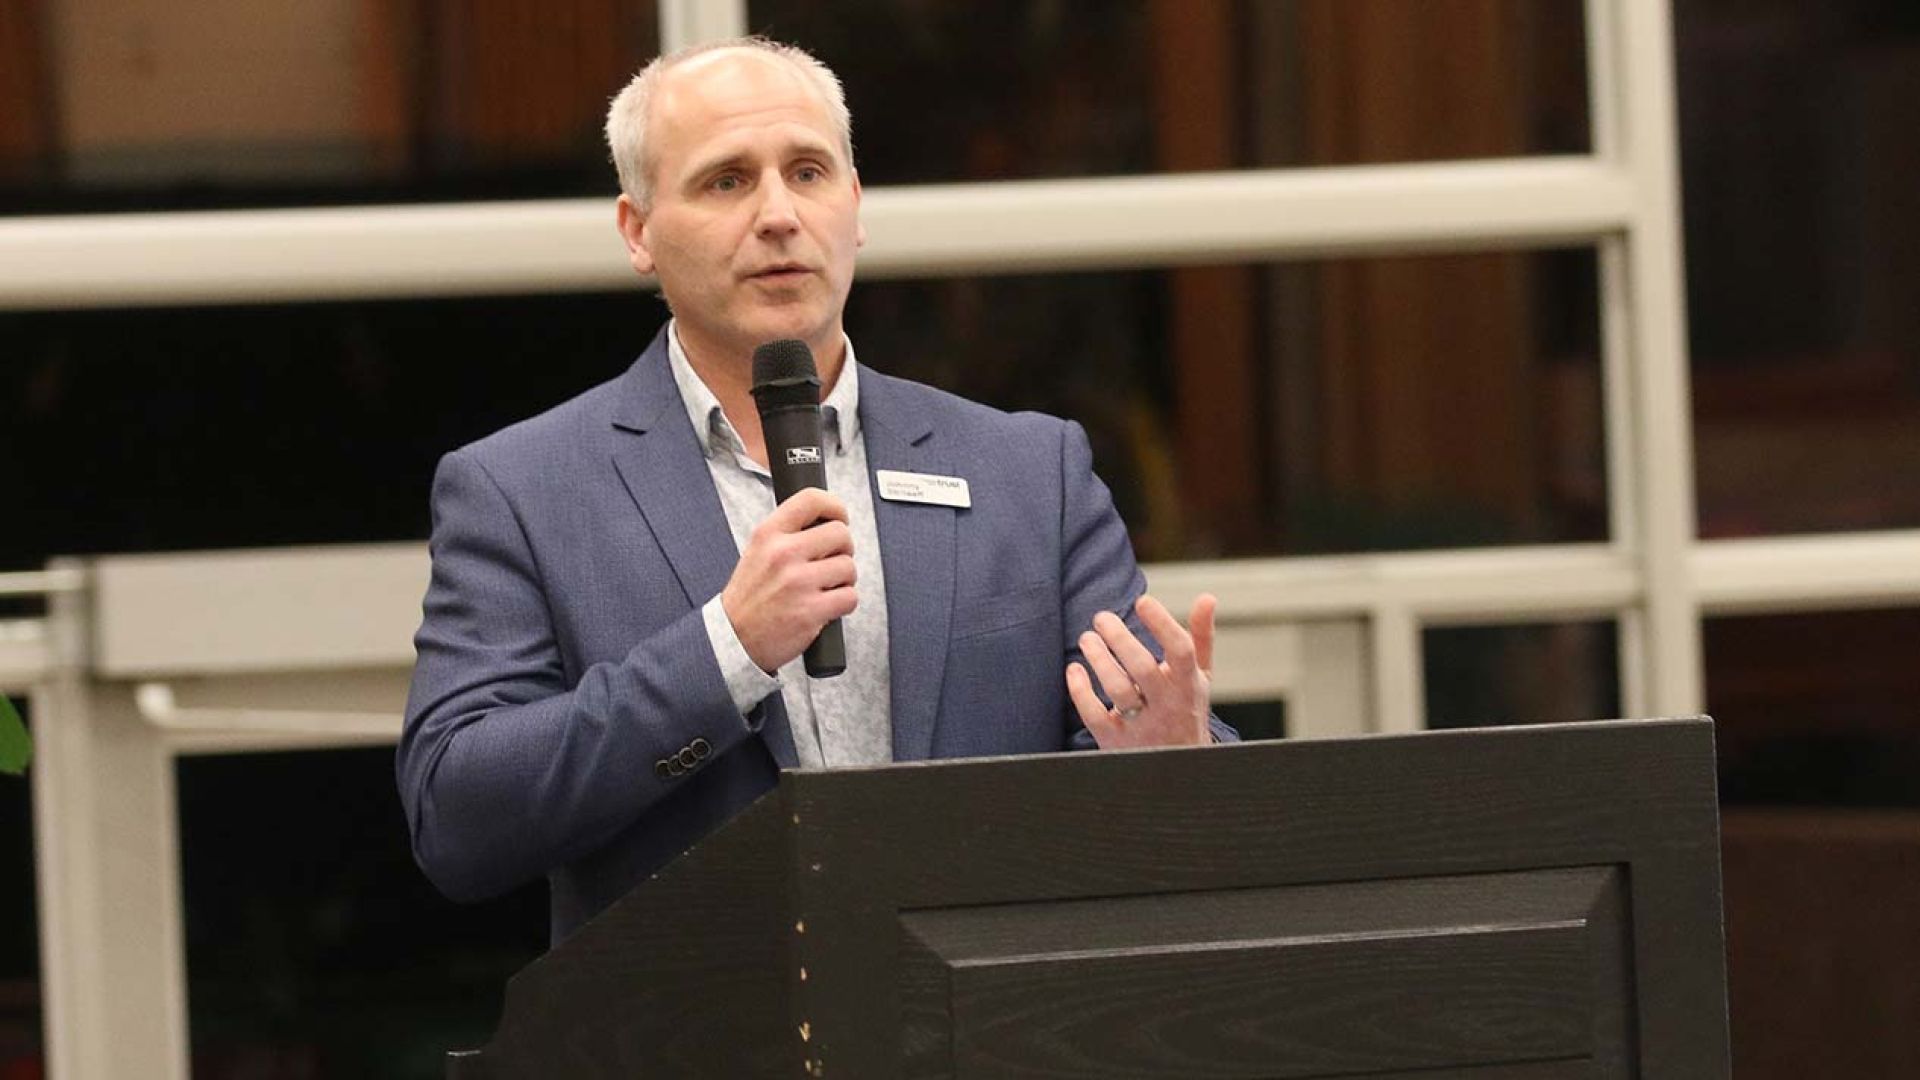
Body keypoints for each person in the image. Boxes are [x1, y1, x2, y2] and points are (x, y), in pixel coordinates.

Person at [397, 37, 1237, 942]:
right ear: (637, 231)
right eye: (725, 181)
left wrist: (1177, 765)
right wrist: (727, 649)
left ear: (856, 207)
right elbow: (459, 816)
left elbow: (1157, 766)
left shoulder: (1030, 472)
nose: (778, 215)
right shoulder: (522, 490)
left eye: (807, 172)